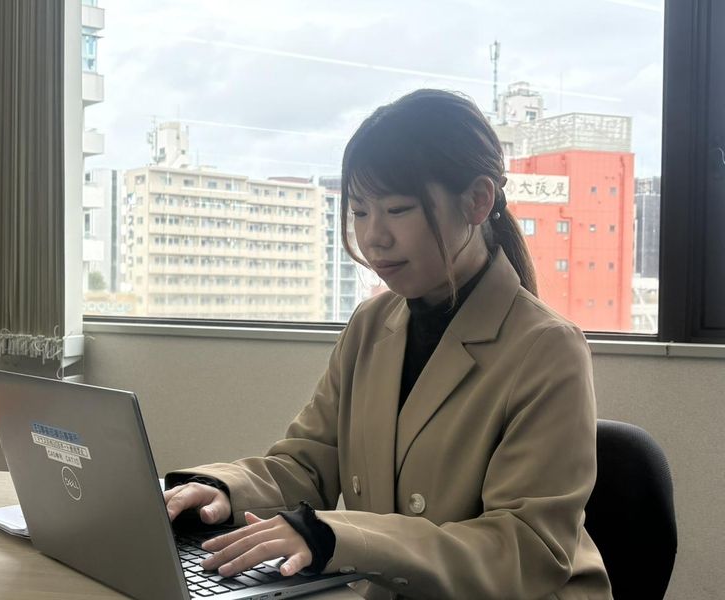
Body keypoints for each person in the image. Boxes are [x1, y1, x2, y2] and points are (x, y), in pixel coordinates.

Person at [163, 89, 612, 599]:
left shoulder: (547, 348)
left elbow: (524, 549)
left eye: (398, 209)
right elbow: (308, 461)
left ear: (478, 200)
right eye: (359, 211)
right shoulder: (371, 324)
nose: (374, 237)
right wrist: (220, 489)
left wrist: (338, 535)